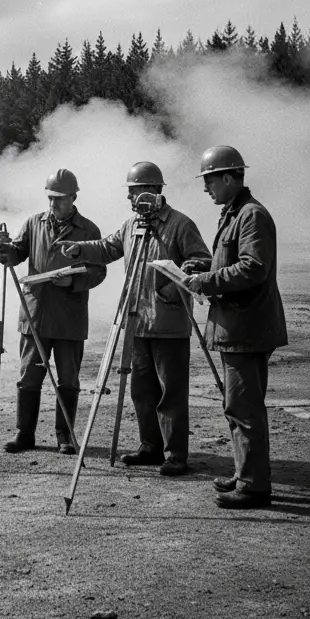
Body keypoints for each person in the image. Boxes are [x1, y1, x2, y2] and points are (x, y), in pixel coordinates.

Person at [59, 161, 211, 476]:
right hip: (137, 323)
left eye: (135, 192)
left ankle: (176, 454)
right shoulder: (131, 226)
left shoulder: (180, 225)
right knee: (141, 390)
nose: (131, 200)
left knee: (171, 392)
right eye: (129, 194)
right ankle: (150, 447)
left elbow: (203, 260)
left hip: (169, 324)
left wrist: (177, 279)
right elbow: (107, 248)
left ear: (154, 191)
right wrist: (79, 250)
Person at [183, 145, 288, 509]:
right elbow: (233, 264)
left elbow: (252, 268)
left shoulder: (251, 215)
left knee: (245, 409)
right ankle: (245, 473)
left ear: (229, 177)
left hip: (247, 328)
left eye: (210, 180)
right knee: (237, 407)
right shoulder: (235, 213)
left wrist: (207, 282)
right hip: (236, 327)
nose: (206, 188)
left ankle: (255, 486)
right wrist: (204, 274)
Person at [0, 169, 106, 455]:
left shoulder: (89, 231)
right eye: (50, 198)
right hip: (36, 314)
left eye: (58, 198)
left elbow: (98, 271)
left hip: (69, 316)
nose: (53, 204)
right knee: (29, 377)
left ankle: (65, 435)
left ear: (73, 197)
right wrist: (6, 250)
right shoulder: (34, 222)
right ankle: (25, 434)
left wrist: (74, 281)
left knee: (68, 380)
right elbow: (19, 251)